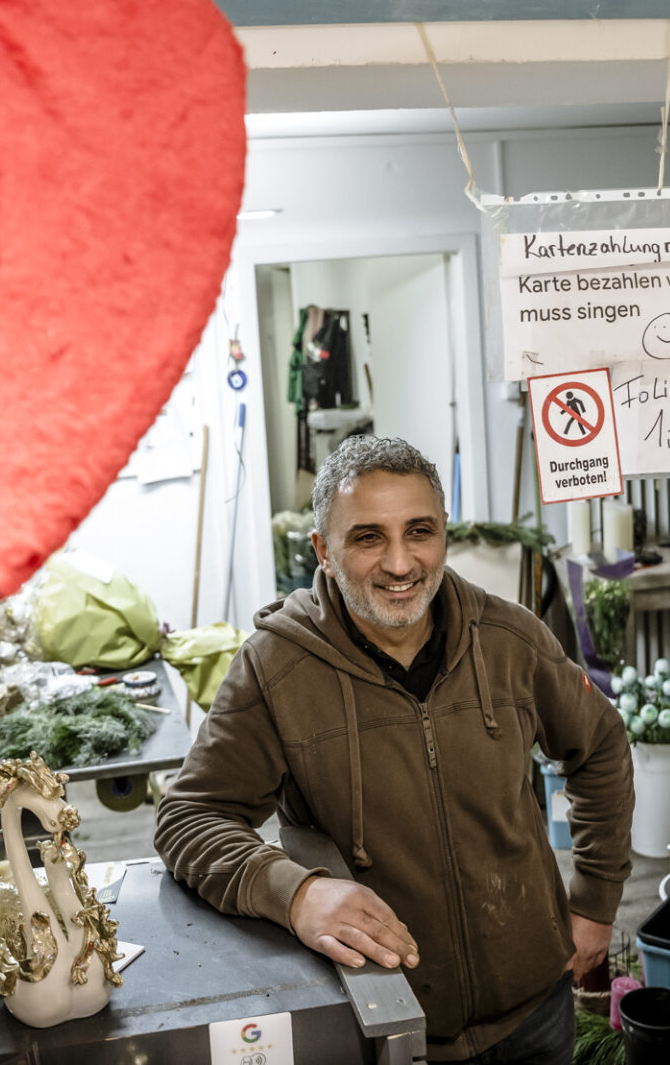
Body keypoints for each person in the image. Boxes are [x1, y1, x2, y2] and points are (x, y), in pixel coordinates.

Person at [154, 436, 633, 1064]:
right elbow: (190, 817)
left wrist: (594, 903)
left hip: (535, 1009)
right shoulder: (275, 668)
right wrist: (295, 894)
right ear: (324, 551)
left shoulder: (510, 639)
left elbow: (600, 746)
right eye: (368, 538)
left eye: (420, 531)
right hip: (383, 1020)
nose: (402, 563)